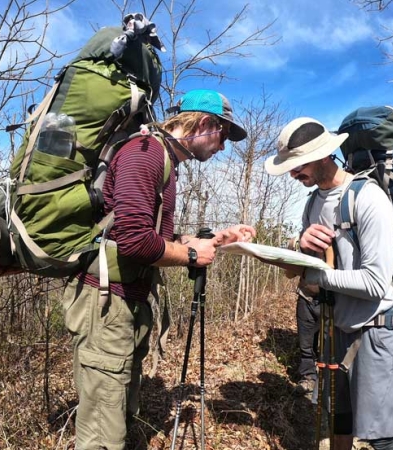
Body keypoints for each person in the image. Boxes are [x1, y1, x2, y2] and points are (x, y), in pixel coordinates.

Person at [62, 89, 256, 450]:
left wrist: (215, 238)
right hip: (106, 307)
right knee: (103, 434)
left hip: (125, 304)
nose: (223, 146)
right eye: (223, 134)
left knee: (118, 412)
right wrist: (193, 257)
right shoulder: (145, 155)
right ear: (204, 123)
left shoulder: (163, 158)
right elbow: (136, 242)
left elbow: (151, 235)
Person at [265, 117, 393, 450]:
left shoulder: (368, 198)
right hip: (337, 330)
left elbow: (375, 282)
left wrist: (319, 277)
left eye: (297, 165)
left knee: (382, 437)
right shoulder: (313, 203)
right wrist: (297, 248)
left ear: (323, 155)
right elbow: (305, 268)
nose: (293, 174)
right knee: (339, 422)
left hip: (377, 329)